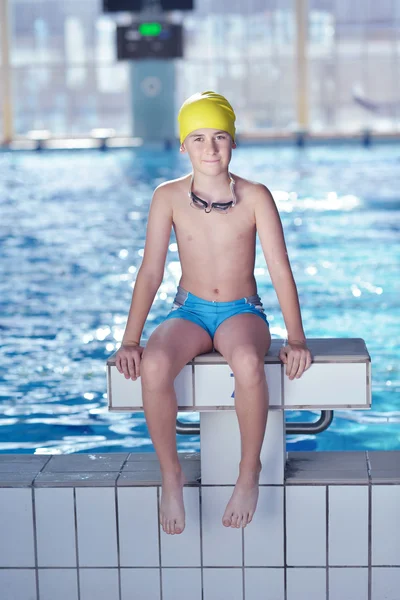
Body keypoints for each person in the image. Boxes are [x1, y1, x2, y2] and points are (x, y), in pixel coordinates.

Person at [115, 91, 312, 536]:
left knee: (246, 361)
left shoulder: (256, 196)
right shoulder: (166, 197)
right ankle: (171, 477)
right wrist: (131, 339)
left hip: (241, 310)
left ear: (234, 142)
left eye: (220, 136)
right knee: (155, 364)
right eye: (199, 138)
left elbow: (281, 271)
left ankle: (248, 473)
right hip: (189, 309)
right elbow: (150, 272)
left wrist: (296, 337)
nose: (210, 148)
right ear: (183, 146)